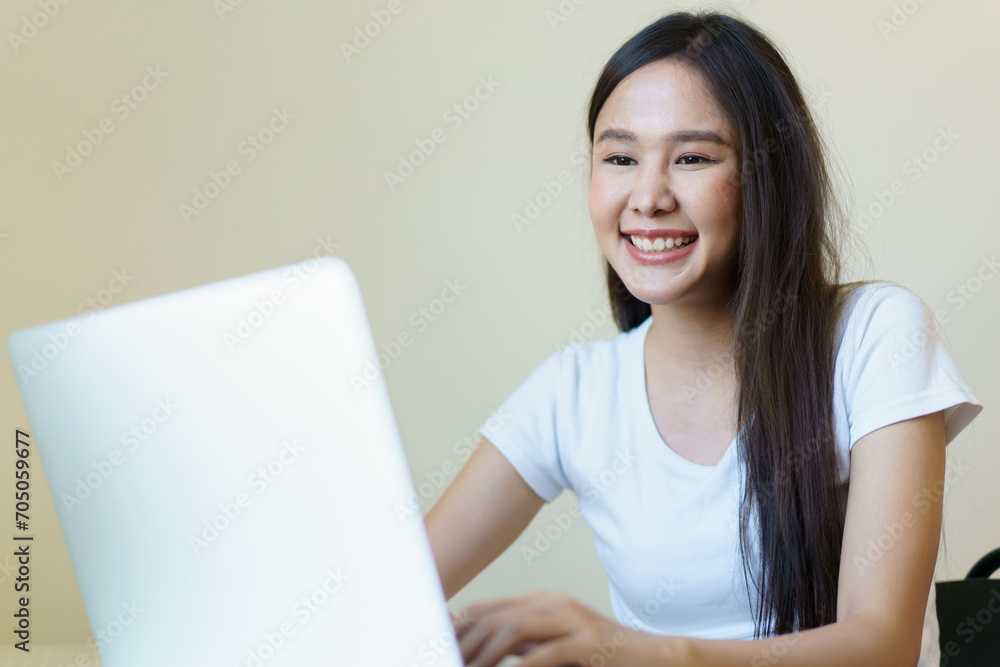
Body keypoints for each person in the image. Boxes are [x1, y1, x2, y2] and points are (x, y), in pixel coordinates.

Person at [423, 9, 983, 667]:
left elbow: (880, 644)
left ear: (766, 177)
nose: (648, 196)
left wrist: (638, 651)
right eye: (620, 157)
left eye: (691, 157)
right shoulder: (571, 391)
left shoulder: (874, 334)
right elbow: (387, 593)